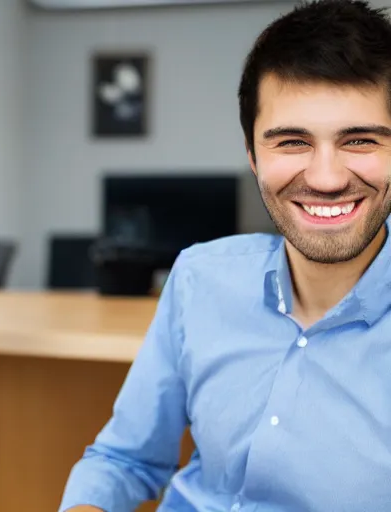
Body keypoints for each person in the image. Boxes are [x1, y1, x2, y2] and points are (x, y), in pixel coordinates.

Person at [60, 0, 391, 510]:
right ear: (252, 155)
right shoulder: (200, 279)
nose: (327, 178)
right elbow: (124, 458)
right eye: (292, 142)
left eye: (360, 140)